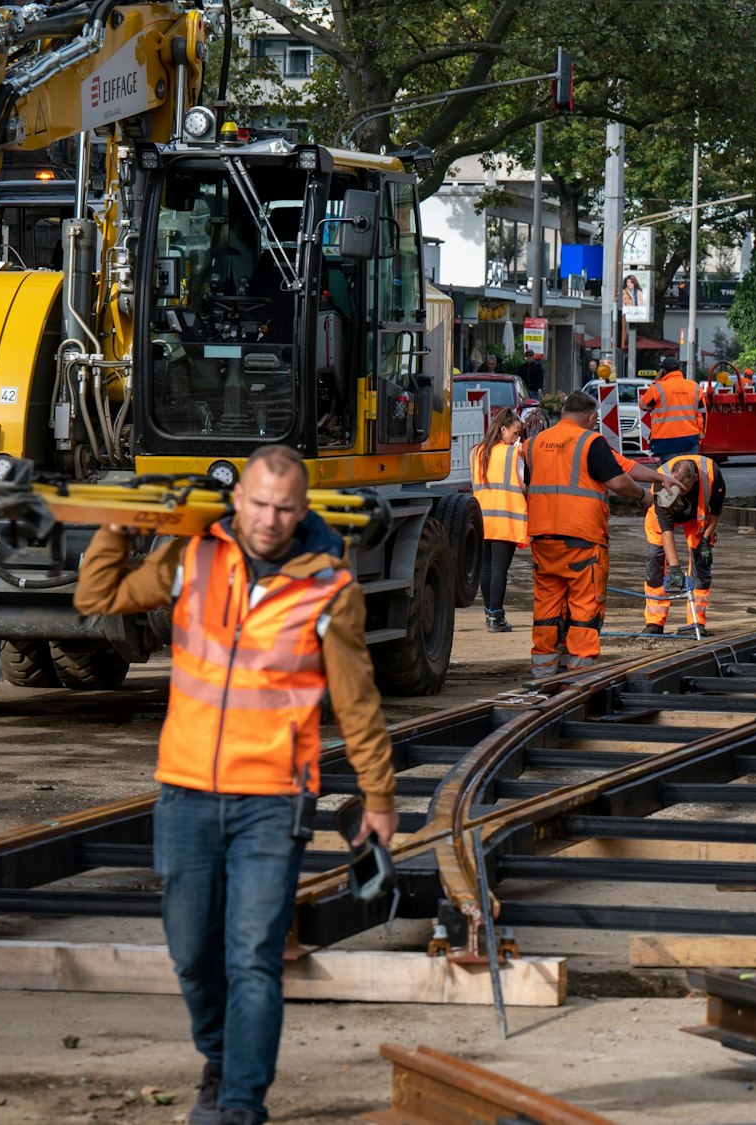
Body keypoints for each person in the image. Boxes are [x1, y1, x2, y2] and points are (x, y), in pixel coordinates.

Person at [73, 445, 397, 1125]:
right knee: (191, 952)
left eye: (284, 507)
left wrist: (379, 797)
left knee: (253, 956)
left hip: (274, 800)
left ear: (302, 510)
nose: (270, 519)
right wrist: (118, 525)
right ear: (238, 500)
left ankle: (241, 1103)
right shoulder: (194, 556)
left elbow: (358, 699)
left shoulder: (329, 588)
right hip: (186, 790)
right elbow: (97, 596)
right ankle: (218, 1060)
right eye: (259, 503)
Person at [526, 390, 648, 675]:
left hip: (544, 537)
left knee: (547, 605)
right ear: (592, 417)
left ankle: (543, 671)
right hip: (582, 537)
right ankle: (579, 672)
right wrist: (643, 496)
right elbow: (618, 482)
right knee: (584, 606)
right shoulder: (590, 441)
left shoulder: (534, 443)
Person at [642, 453, 725, 634]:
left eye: (684, 489)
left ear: (695, 478)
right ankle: (654, 623)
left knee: (701, 564)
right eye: (675, 486)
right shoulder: (660, 483)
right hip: (660, 522)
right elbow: (666, 531)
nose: (679, 491)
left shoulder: (713, 474)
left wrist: (705, 541)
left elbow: (716, 513)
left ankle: (696, 623)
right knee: (655, 561)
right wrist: (674, 568)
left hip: (697, 518)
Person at [472, 410, 529, 632]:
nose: (517, 438)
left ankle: (491, 614)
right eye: (515, 433)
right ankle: (496, 617)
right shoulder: (513, 454)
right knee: (498, 569)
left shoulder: (476, 452)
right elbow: (523, 484)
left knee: (486, 567)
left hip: (482, 519)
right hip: (505, 518)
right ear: (503, 429)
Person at [637, 364, 705, 459]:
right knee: (689, 471)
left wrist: (657, 381)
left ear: (663, 371)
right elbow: (702, 414)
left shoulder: (658, 387)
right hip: (690, 439)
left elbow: (643, 405)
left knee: (670, 471)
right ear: (679, 369)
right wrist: (700, 437)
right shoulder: (695, 387)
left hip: (666, 441)